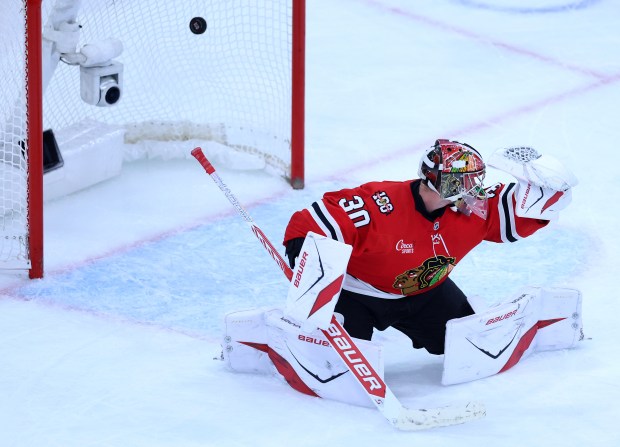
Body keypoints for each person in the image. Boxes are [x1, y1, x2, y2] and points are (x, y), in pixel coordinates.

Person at [282, 139, 573, 355]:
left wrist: (540, 176)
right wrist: (304, 261)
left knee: (467, 347)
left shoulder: (477, 208)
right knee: (337, 357)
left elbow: (536, 207)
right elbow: (310, 224)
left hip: (425, 293)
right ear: (446, 184)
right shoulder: (381, 203)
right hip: (358, 294)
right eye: (468, 180)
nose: (477, 187)